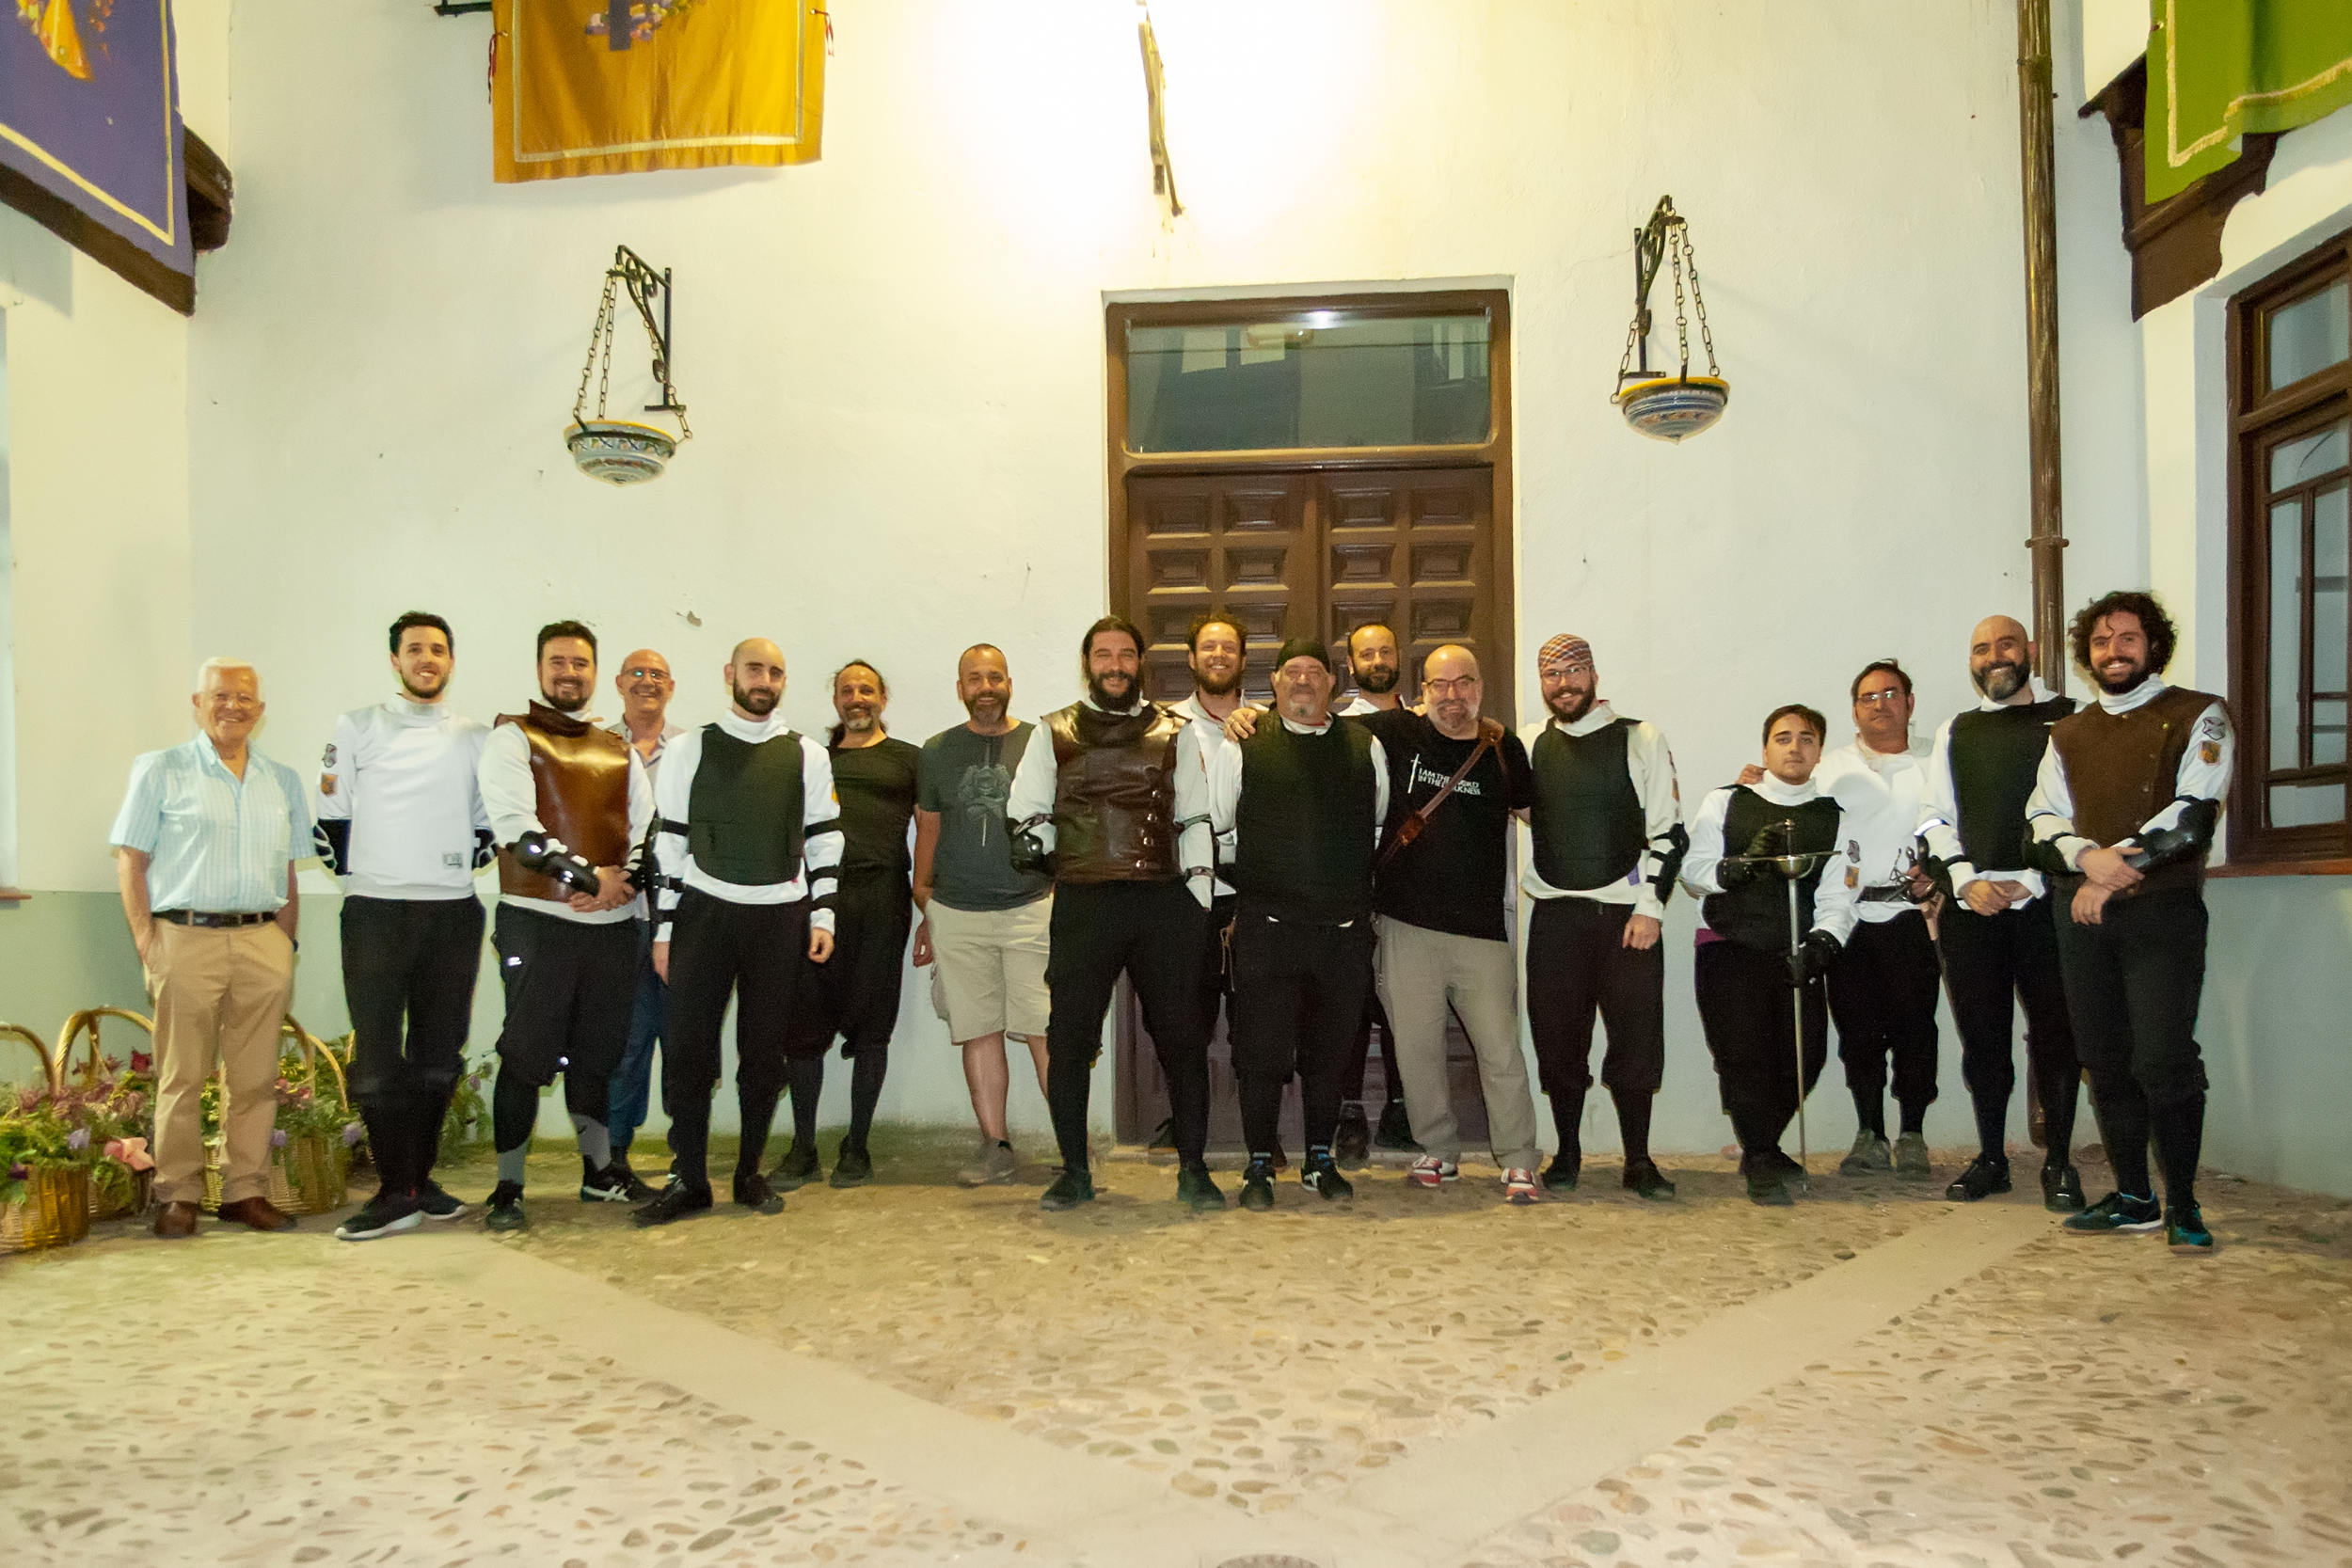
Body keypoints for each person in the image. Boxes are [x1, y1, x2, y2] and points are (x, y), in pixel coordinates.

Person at [1239, 645, 1544, 1201]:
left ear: (1480, 687)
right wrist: (1250, 716)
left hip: (1482, 931)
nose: (1452, 695)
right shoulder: (1393, 733)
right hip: (1405, 926)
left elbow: (1536, 814)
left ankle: (1519, 1157)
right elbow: (1310, 713)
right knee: (1417, 1052)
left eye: (1464, 682)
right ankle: (1439, 1150)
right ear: (1421, 692)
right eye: (1439, 684)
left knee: (1501, 1051)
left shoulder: (1503, 748)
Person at [2026, 592, 2231, 1250]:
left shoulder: (2200, 714)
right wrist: (2087, 860)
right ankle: (2136, 1198)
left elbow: (2193, 813)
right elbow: (2042, 819)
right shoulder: (2067, 733)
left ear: (2153, 646)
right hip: (2083, 917)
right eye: (2101, 641)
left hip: (2161, 913)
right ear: (2087, 656)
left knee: (2164, 1059)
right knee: (2105, 1060)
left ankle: (2185, 1206)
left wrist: (2106, 871)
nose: (2113, 651)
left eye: (2128, 638)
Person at [1007, 615, 1219, 1212]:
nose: (1116, 666)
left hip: (1161, 900)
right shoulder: (1052, 731)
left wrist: (1198, 903)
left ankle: (1194, 1168)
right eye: (1104, 655)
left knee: (1182, 1037)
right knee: (1069, 1039)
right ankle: (1074, 1171)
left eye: (1126, 654)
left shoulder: (1177, 732)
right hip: (1085, 901)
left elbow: (1196, 818)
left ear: (1140, 663)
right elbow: (1026, 811)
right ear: (1088, 664)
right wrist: (1060, 861)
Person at [634, 639, 842, 1226]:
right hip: (703, 913)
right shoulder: (689, 748)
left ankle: (748, 1174)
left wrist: (823, 915)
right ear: (731, 673)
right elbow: (668, 842)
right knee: (687, 1050)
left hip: (779, 917)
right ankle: (690, 1180)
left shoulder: (806, 754)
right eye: (755, 669)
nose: (764, 680)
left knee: (764, 1053)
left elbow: (825, 837)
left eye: (775, 672)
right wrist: (664, 930)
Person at [110, 658, 312, 1239]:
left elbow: (288, 870)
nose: (233, 706)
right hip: (184, 937)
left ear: (260, 710)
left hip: (262, 940)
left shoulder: (282, 780)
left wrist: (284, 942)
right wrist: (148, 942)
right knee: (182, 1076)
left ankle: (245, 1190)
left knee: (255, 1077)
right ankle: (177, 1194)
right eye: (220, 695)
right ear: (197, 703)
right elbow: (131, 860)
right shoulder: (160, 770)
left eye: (244, 698)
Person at [314, 612, 492, 1241]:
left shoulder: (475, 737)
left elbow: (486, 825)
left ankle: (416, 1181)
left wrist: (443, 870)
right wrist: (379, 877)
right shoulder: (357, 726)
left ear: (451, 661)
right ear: (395, 659)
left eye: (438, 649)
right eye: (414, 649)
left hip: (453, 912)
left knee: (439, 1055)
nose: (427, 659)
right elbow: (331, 820)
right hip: (377, 912)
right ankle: (395, 1188)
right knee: (378, 1055)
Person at [475, 621, 654, 1232]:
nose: (569, 672)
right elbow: (516, 830)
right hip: (538, 924)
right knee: (525, 1056)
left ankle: (599, 1172)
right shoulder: (511, 738)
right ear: (539, 668)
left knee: (596, 1059)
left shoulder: (619, 750)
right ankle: (508, 1185)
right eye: (558, 662)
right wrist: (591, 879)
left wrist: (624, 885)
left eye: (580, 663)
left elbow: (648, 829)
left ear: (595, 673)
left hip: (613, 929)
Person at [1208, 638, 1389, 1210]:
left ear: (1332, 684)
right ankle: (1259, 1164)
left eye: (1315, 672)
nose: (1304, 680)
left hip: (1343, 933)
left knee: (1329, 1056)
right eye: (1293, 671)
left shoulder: (1365, 745)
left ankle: (1318, 1160)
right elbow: (1220, 821)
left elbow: (1378, 821)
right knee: (1261, 1053)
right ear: (1275, 682)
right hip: (1268, 929)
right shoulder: (1243, 742)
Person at [1918, 615, 2086, 1211]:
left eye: (2006, 644)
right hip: (1973, 909)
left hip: (2048, 904)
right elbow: (1934, 817)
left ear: (2030, 651)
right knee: (1983, 1039)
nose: (1995, 656)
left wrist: (2033, 879)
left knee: (2058, 1035)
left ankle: (2060, 1160)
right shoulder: (1956, 731)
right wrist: (1965, 882)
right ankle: (1992, 1157)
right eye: (1981, 648)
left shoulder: (2072, 720)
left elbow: (2083, 812)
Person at [1518, 633, 1685, 1201]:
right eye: (1552, 675)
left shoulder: (1641, 738)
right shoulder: (1528, 744)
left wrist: (1651, 908)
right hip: (1555, 918)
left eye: (1574, 672)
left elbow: (1669, 833)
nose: (1564, 685)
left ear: (1593, 675)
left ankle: (1638, 1159)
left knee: (1637, 1044)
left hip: (1627, 919)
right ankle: (1567, 1153)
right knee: (1558, 1042)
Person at [1681, 704, 1861, 1206]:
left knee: (1807, 1057)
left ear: (1820, 751)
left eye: (1806, 739)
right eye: (1783, 738)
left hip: (1797, 951)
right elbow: (1692, 871)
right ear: (1765, 749)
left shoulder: (1835, 817)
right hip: (1729, 947)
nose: (1794, 747)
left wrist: (1823, 943)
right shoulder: (1725, 801)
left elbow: (1840, 893)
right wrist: (1736, 867)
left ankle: (1761, 1143)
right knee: (1743, 1058)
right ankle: (1761, 1155)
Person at [913, 644, 1054, 1187]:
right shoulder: (936, 751)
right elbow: (928, 826)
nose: (986, 687)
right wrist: (924, 897)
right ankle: (996, 1145)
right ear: (960, 689)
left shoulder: (1040, 742)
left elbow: (1063, 819)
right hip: (957, 911)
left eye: (995, 677)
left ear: (1010, 684)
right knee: (978, 1031)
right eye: (975, 678)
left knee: (1046, 1030)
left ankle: (1072, 1144)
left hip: (1031, 906)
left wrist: (1059, 892)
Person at [776, 660, 918, 1189]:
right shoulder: (812, 759)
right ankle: (803, 1148)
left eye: (866, 689)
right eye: (846, 690)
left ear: (883, 697)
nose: (857, 698)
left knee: (874, 1025)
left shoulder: (909, 760)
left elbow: (930, 829)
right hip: (818, 901)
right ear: (835, 700)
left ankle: (857, 1147)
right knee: (803, 1026)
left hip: (882, 899)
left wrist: (928, 901)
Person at [1812, 660, 1942, 1182]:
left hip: (1914, 916)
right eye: (1867, 697)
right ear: (1854, 711)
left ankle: (1912, 1132)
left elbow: (1957, 824)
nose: (1879, 704)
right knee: (1857, 1029)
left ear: (1910, 703)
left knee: (1916, 1027)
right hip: (1849, 917)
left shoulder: (1937, 759)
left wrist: (1938, 874)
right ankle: (1869, 1131)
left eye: (1890, 693)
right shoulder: (1829, 768)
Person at [1333, 621, 1413, 1160]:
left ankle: (1403, 1110)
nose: (1378, 660)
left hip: (1413, 884)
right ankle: (1350, 1112)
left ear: (1400, 656)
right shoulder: (1336, 728)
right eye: (1367, 653)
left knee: (1406, 1001)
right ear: (1350, 664)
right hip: (1352, 881)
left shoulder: (1425, 724)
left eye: (1386, 650)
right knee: (1354, 1001)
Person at [604, 648, 683, 1195]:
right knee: (627, 1042)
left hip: (680, 920)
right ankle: (615, 1156)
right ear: (619, 683)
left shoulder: (692, 751)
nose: (647, 682)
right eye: (637, 673)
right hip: (618, 917)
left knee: (682, 1040)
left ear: (670, 687)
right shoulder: (597, 749)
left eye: (657, 674)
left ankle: (685, 1151)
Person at [1173, 611, 1248, 1153]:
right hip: (1186, 893)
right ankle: (1186, 1126)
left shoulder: (1267, 724)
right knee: (1184, 1019)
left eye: (1228, 647)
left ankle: (1260, 1132)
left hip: (1252, 892)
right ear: (1191, 658)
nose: (1218, 655)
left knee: (1256, 1020)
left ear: (1243, 659)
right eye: (1208, 647)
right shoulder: (1165, 725)